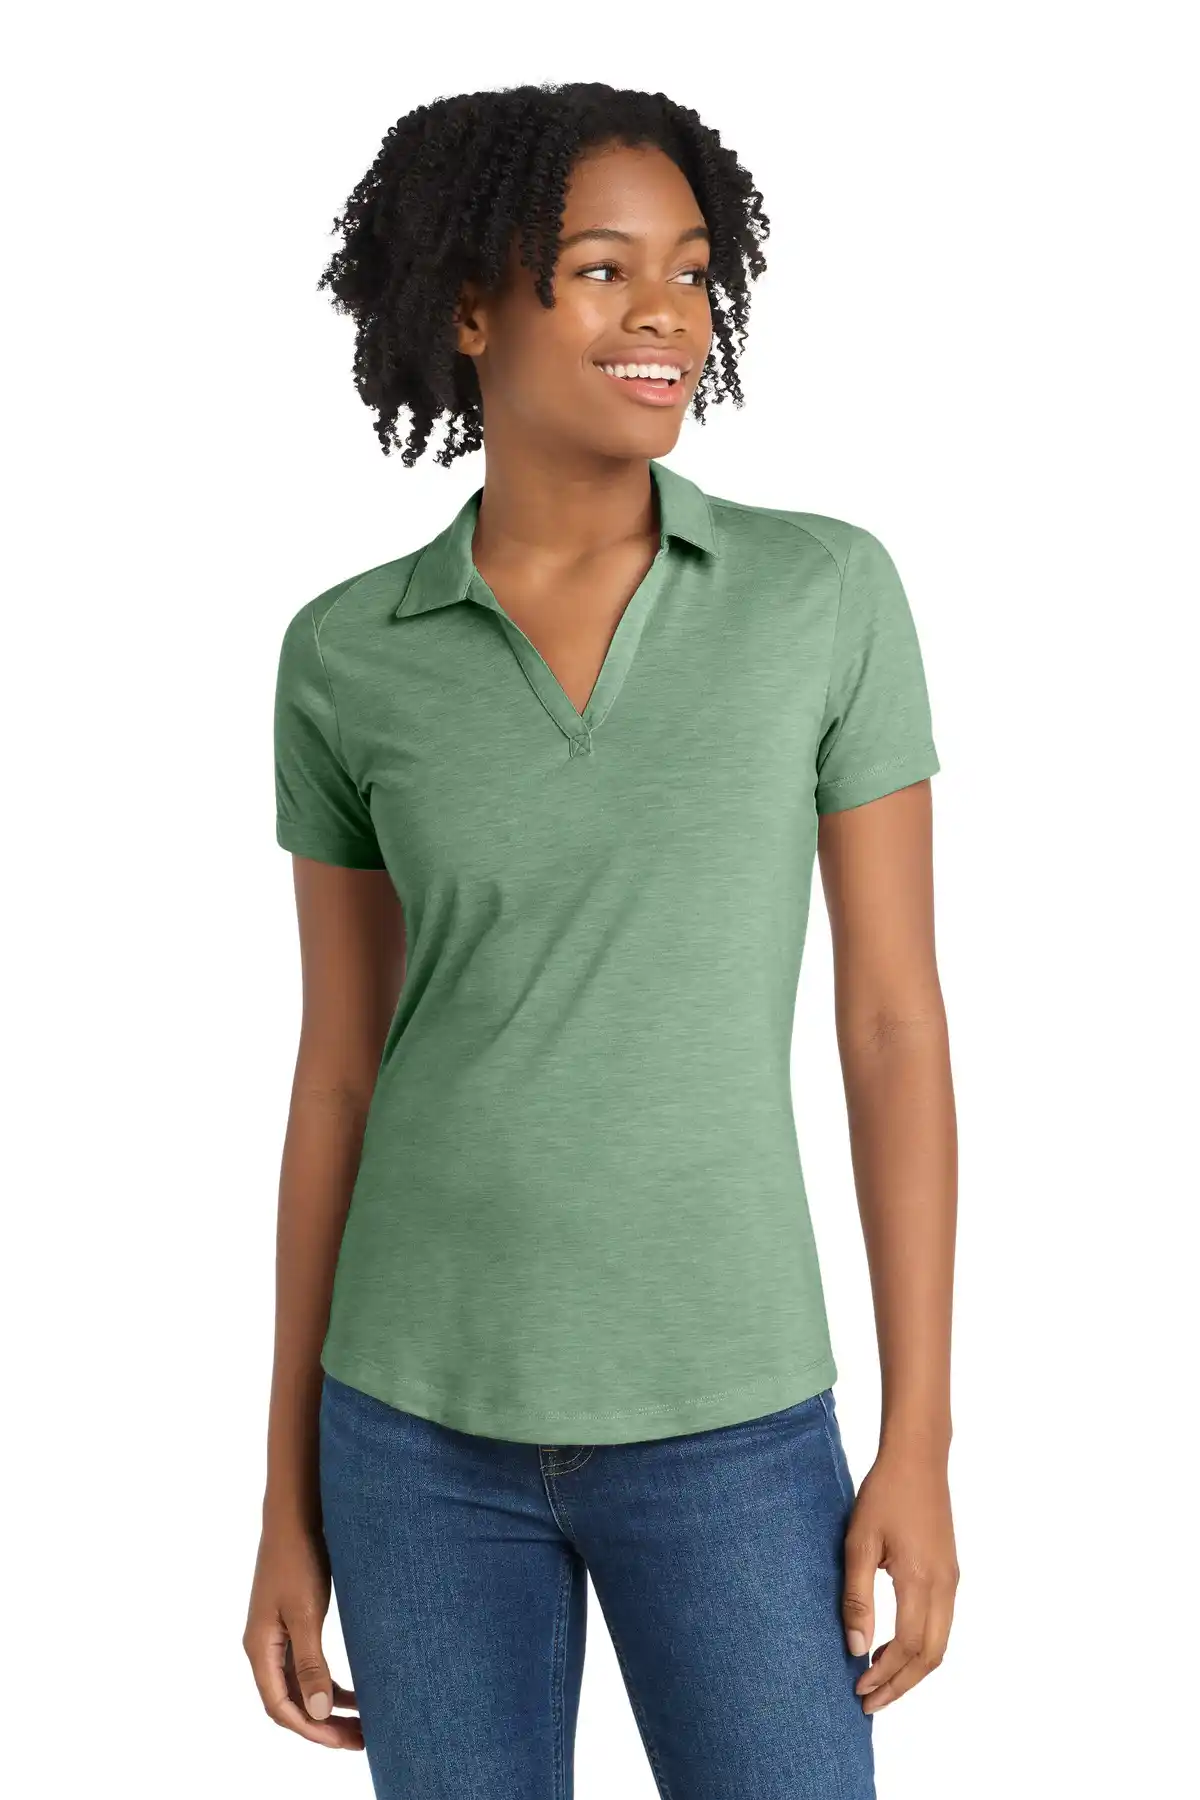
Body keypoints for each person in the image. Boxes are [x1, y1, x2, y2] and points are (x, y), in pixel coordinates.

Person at [243, 80, 959, 1800]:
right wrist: (284, 1495)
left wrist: (920, 1437)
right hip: (410, 1432)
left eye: (693, 271)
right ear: (468, 310)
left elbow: (893, 1026)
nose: (666, 315)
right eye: (599, 269)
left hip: (731, 1421)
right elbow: (339, 1073)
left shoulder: (822, 596)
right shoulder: (347, 655)